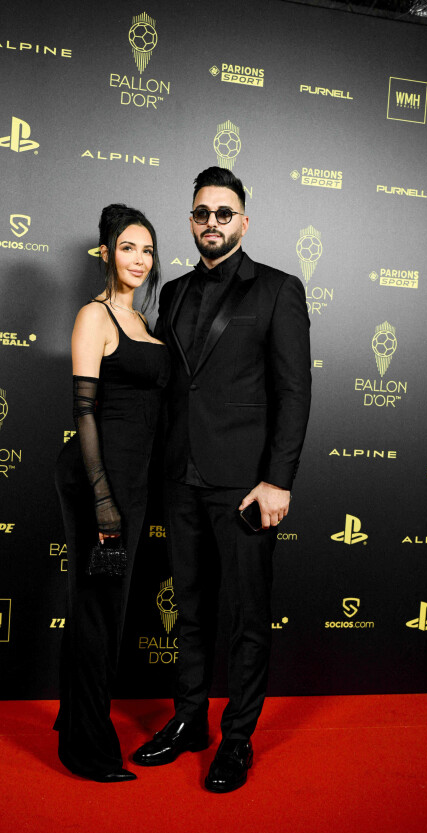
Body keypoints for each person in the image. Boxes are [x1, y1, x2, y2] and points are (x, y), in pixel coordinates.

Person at [133, 167, 311, 792]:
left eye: (224, 212)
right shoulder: (174, 294)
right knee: (190, 609)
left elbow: (293, 392)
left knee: (247, 618)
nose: (213, 222)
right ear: (190, 220)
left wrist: (279, 481)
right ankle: (189, 720)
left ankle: (236, 740)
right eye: (202, 212)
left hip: (245, 488)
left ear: (243, 219)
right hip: (180, 479)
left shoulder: (278, 290)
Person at [54, 204, 170, 782]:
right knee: (99, 608)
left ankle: (73, 715)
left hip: (133, 479)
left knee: (106, 607)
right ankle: (85, 745)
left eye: (147, 250)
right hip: (97, 478)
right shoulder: (93, 317)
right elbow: (84, 413)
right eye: (128, 247)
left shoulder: (147, 326)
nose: (140, 260)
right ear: (106, 253)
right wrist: (103, 498)